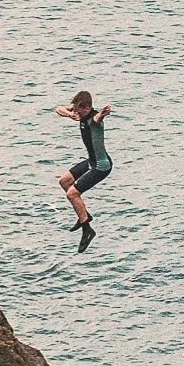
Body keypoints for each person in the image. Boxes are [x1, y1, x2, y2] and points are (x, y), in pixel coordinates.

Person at [56, 88, 112, 252]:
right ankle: (84, 215)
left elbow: (98, 118)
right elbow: (58, 108)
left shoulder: (94, 120)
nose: (76, 112)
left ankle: (87, 230)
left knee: (72, 194)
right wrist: (70, 114)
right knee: (64, 181)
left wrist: (103, 113)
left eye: (78, 109)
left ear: (87, 108)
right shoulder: (79, 113)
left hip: (102, 166)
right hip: (91, 162)